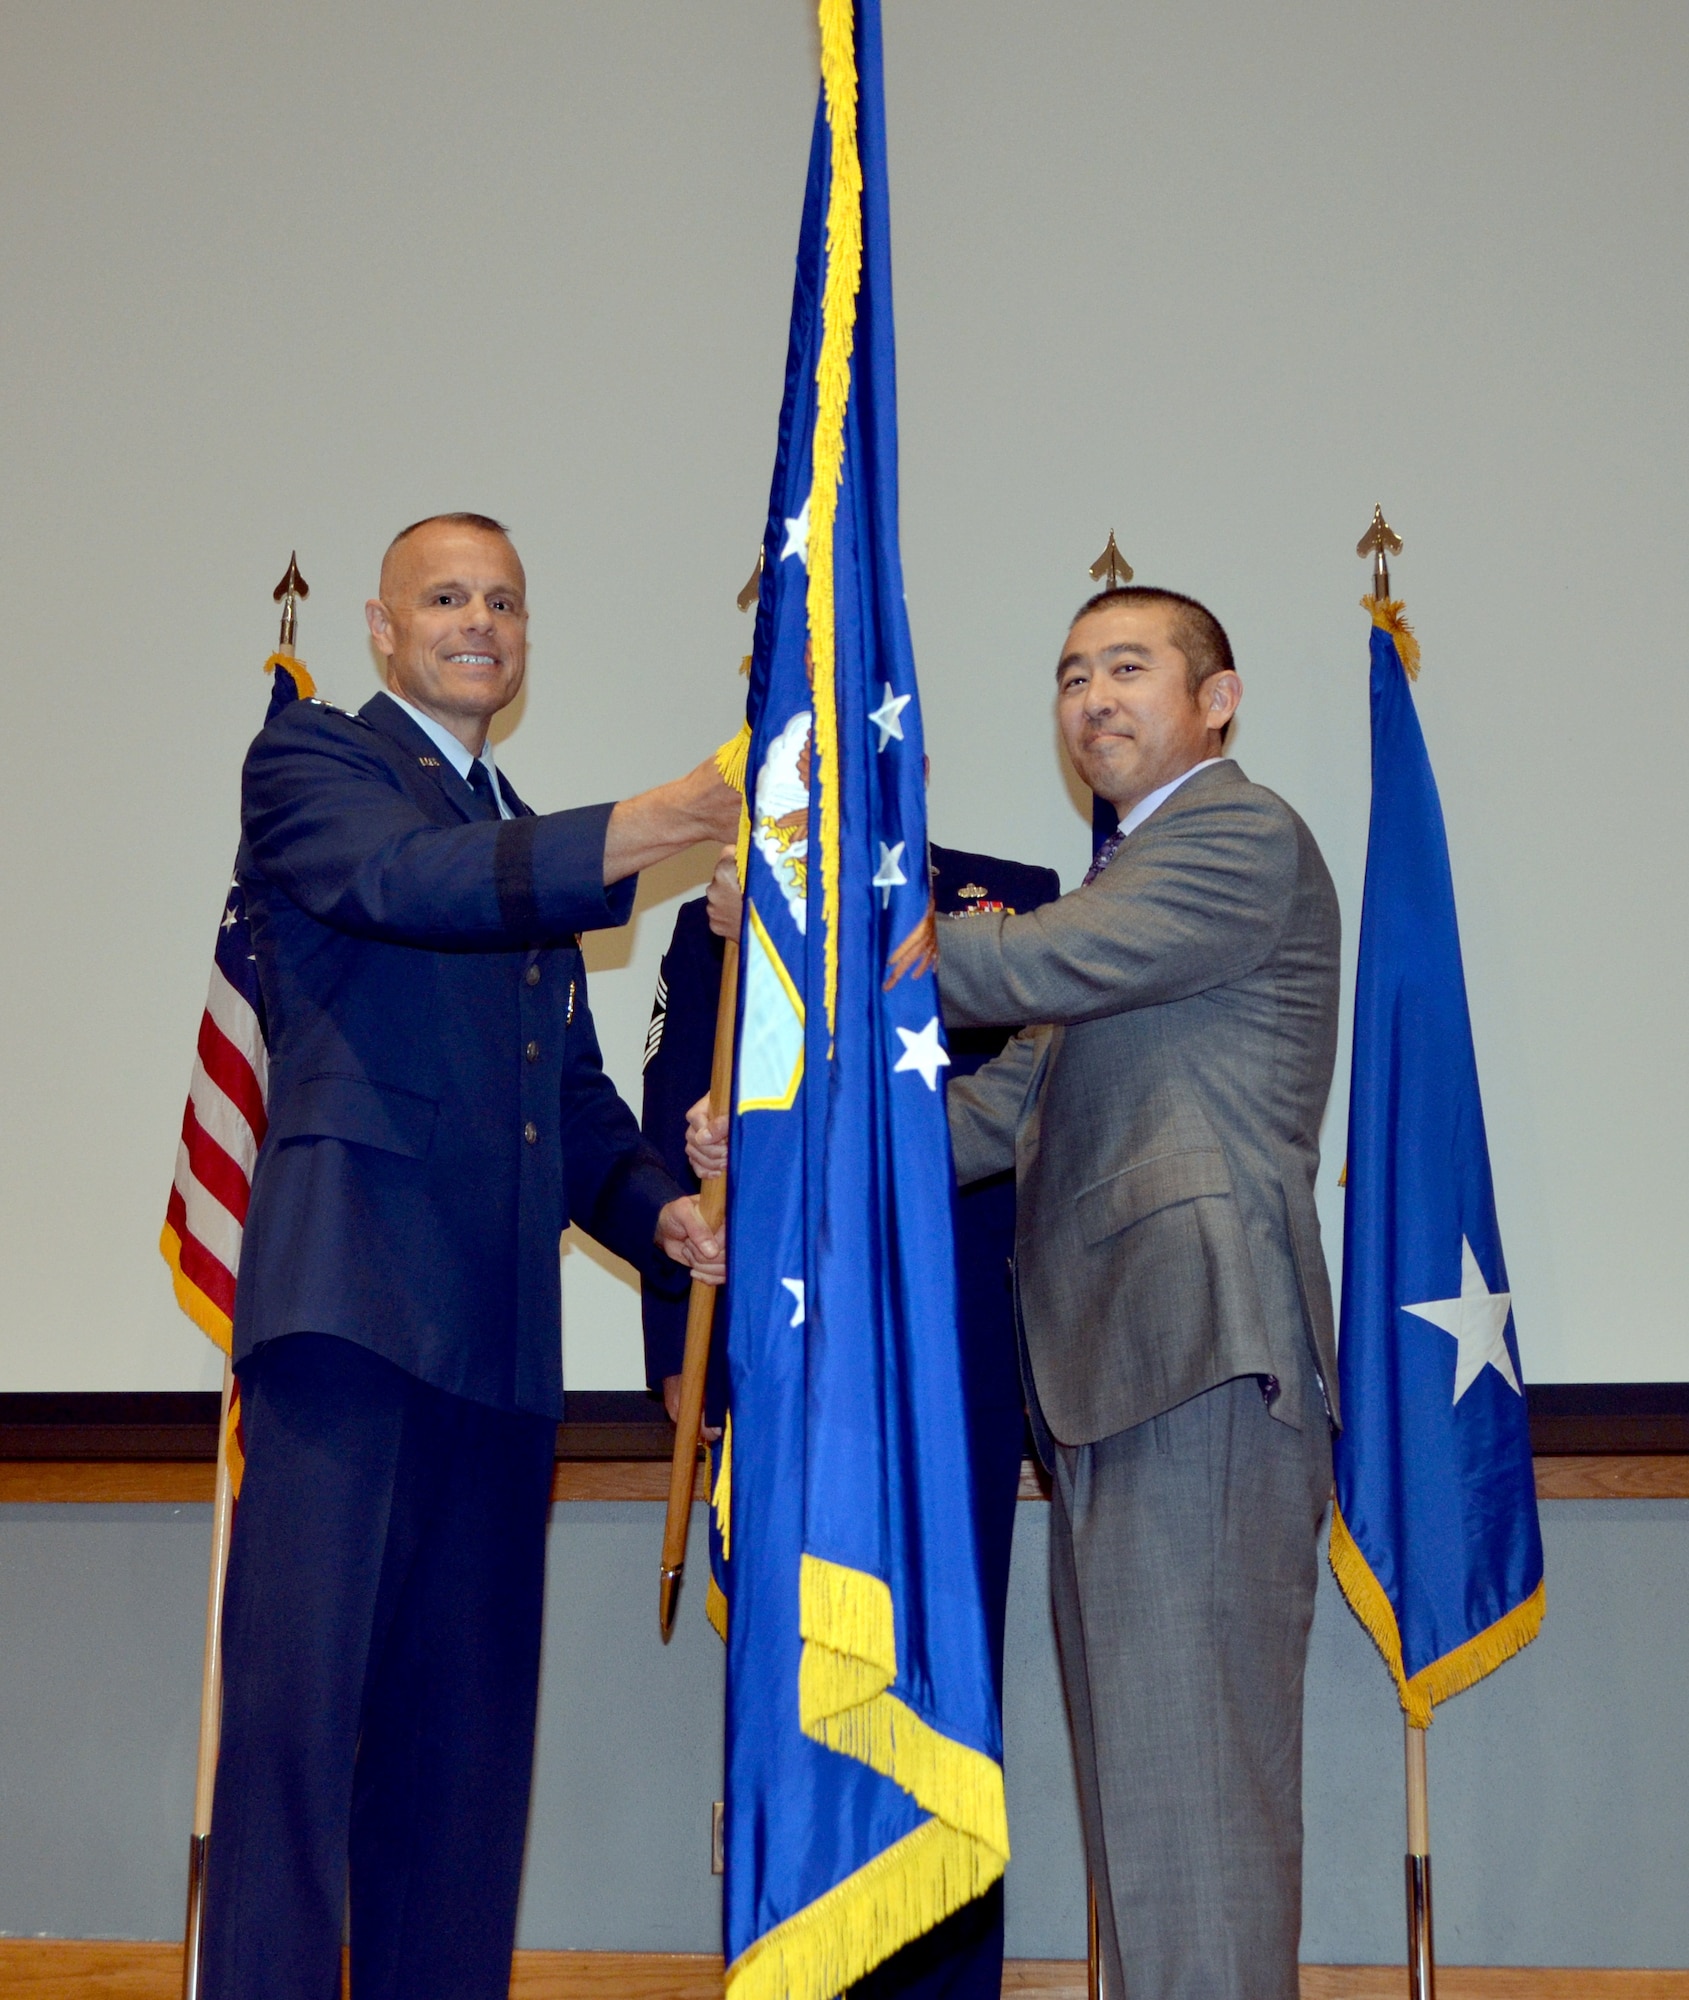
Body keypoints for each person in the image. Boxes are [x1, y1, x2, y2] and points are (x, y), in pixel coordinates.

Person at [202, 512, 740, 2000]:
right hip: (350, 1324)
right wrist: (674, 816)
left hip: (500, 1358)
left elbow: (566, 1109)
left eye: (503, 599)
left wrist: (662, 1217)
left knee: (463, 1780)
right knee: (297, 1758)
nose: (478, 622)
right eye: (445, 596)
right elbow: (408, 887)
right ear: (381, 628)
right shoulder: (316, 764)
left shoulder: (519, 835)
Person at [935, 586, 1341, 2000]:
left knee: (1193, 1821)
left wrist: (854, 937)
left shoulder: (1235, 834)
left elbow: (1034, 956)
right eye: (1068, 676)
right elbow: (992, 1120)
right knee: (1148, 1817)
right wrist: (782, 1159)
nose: (1092, 697)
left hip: (1197, 1353)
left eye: (1127, 667)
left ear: (1215, 700)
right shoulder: (1126, 889)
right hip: (1115, 1382)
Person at [667, 826, 1059, 2000]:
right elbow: (677, 1118)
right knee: (795, 1701)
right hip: (792, 1363)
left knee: (941, 1686)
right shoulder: (728, 911)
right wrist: (683, 1375)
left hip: (956, 1365)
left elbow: (1027, 1119)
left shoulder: (1015, 900)